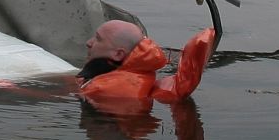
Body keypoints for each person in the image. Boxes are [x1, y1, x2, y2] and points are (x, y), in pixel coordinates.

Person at [76, 20, 214, 113]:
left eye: (98, 38)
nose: (89, 42)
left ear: (118, 54)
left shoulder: (107, 89)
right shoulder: (137, 75)